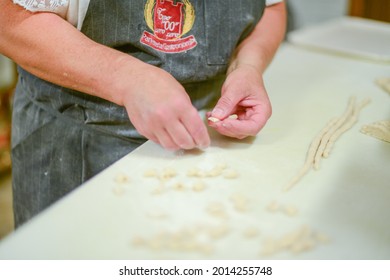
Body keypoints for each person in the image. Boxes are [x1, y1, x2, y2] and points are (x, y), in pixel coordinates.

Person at [0, 0, 287, 227]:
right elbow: (8, 17)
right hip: (78, 149)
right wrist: (124, 77)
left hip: (212, 149)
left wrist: (248, 66)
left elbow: (271, 8)